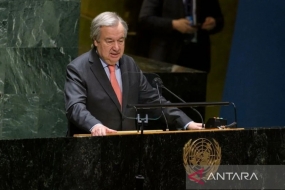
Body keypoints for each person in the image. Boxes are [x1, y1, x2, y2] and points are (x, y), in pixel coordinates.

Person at [64, 11, 203, 137]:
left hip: (128, 147)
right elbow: (75, 107)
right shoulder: (78, 68)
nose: (116, 47)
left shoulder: (129, 64)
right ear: (96, 40)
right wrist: (95, 125)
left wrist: (186, 123)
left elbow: (153, 101)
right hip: (94, 147)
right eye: (110, 41)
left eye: (121, 40)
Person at [138, 0, 224, 73]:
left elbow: (219, 20)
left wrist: (214, 22)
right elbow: (145, 19)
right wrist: (173, 24)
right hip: (167, 54)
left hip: (198, 55)